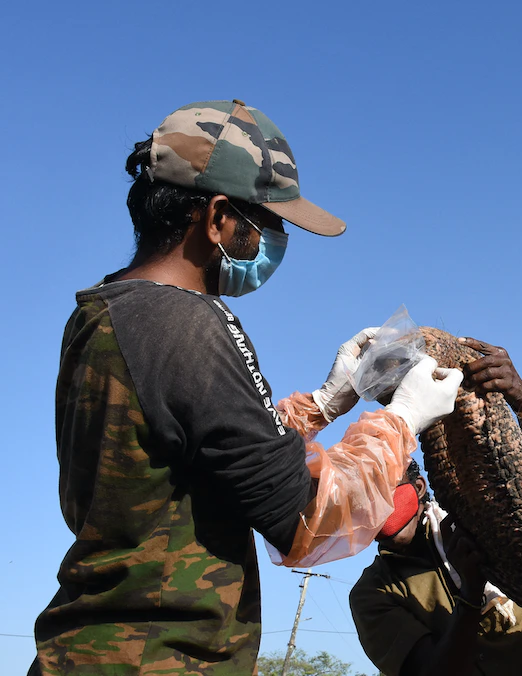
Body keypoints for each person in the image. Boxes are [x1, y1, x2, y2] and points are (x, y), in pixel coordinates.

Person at [30, 100, 463, 675]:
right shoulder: (189, 324)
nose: (273, 241)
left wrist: (325, 403)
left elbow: (217, 454)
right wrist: (403, 419)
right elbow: (305, 520)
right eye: (267, 224)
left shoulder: (106, 316)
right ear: (217, 219)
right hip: (162, 659)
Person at [350, 339, 522, 676]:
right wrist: (470, 593)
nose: (376, 505)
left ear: (419, 488)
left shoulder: (471, 525)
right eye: (362, 498)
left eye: (386, 486)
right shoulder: (373, 592)